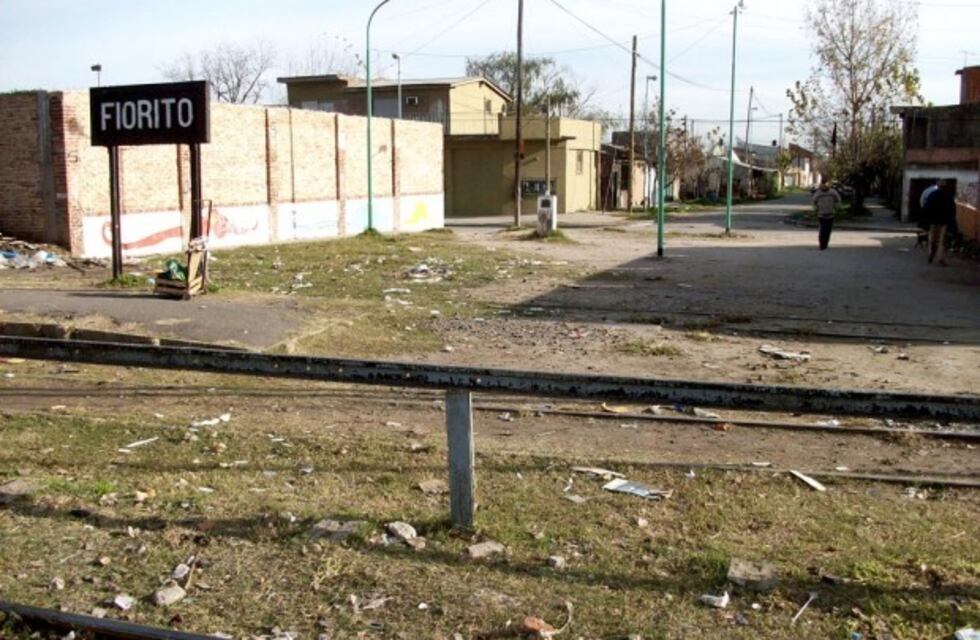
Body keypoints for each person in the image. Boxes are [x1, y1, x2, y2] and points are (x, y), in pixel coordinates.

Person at [922, 179, 956, 266]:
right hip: (944, 221)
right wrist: (951, 221)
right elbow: (952, 210)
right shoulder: (948, 196)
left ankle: (931, 253)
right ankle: (940, 258)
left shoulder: (933, 195)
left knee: (932, 238)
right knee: (942, 240)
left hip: (933, 221)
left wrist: (925, 220)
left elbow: (927, 207)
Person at [812, 179, 842, 250]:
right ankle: (822, 244)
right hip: (821, 214)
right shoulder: (818, 193)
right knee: (822, 230)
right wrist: (816, 209)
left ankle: (825, 243)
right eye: (823, 185)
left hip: (830, 214)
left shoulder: (833, 192)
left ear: (828, 184)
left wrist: (836, 207)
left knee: (828, 230)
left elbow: (838, 200)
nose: (824, 186)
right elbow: (814, 202)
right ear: (821, 185)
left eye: (826, 184)